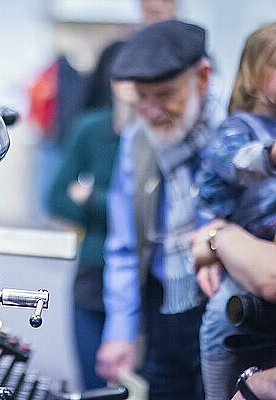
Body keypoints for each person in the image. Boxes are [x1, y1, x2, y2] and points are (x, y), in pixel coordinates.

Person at [94, 20, 225, 400]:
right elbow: (123, 243)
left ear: (202, 77)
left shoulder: (236, 132)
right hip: (163, 310)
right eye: (141, 96)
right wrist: (120, 329)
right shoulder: (138, 138)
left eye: (165, 94)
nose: (151, 112)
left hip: (223, 315)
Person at [191, 23, 276, 400]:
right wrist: (270, 155)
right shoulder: (238, 128)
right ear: (254, 77)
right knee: (223, 312)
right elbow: (237, 163)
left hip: (265, 251)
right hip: (241, 245)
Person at [47, 41, 137, 390]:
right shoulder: (90, 128)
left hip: (139, 285)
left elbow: (144, 217)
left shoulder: (153, 135)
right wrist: (116, 208)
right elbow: (56, 199)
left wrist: (93, 201)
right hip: (92, 275)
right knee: (93, 386)